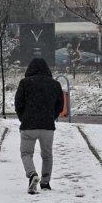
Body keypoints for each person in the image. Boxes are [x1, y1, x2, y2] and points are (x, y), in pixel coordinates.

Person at [14, 57, 64, 194]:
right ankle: (45, 182)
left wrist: (23, 118)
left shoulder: (25, 83)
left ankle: (32, 174)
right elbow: (60, 105)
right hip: (47, 126)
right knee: (47, 155)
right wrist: (51, 117)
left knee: (26, 153)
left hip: (28, 125)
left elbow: (18, 103)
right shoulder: (55, 84)